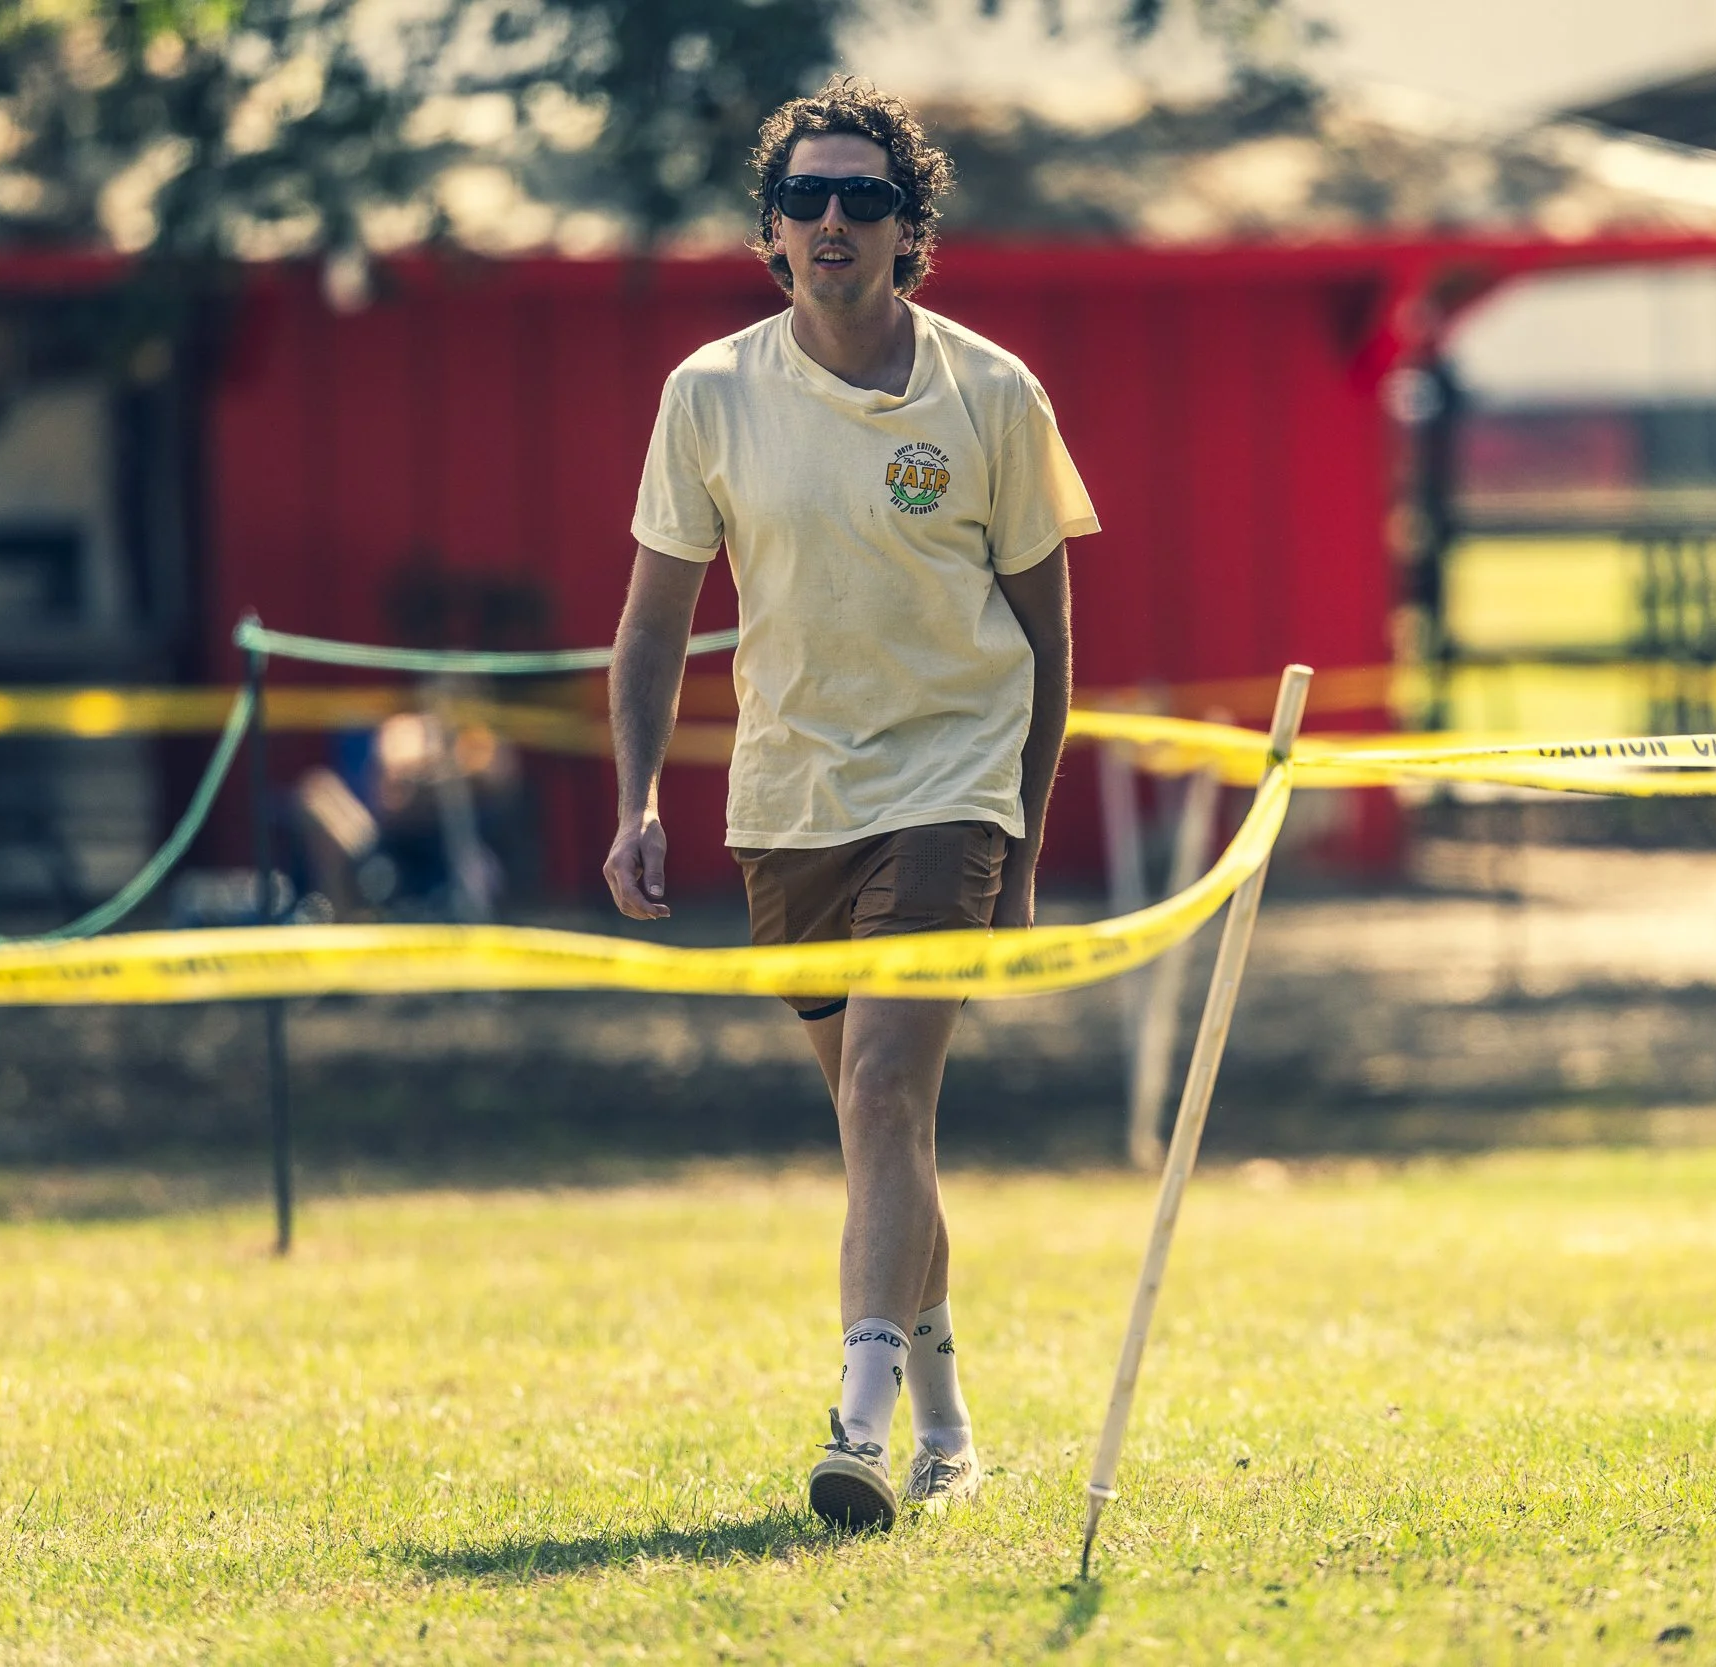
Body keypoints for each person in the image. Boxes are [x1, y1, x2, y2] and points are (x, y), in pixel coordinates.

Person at [602, 78, 1095, 1531]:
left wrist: (1019, 845)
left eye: (863, 198)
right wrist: (637, 800)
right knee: (883, 1125)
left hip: (951, 785)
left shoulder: (995, 395)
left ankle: (860, 1427)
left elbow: (1050, 644)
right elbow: (648, 626)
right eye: (808, 198)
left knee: (887, 1093)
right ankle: (950, 1423)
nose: (833, 220)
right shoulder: (709, 395)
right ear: (773, 230)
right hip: (789, 799)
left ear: (907, 230)